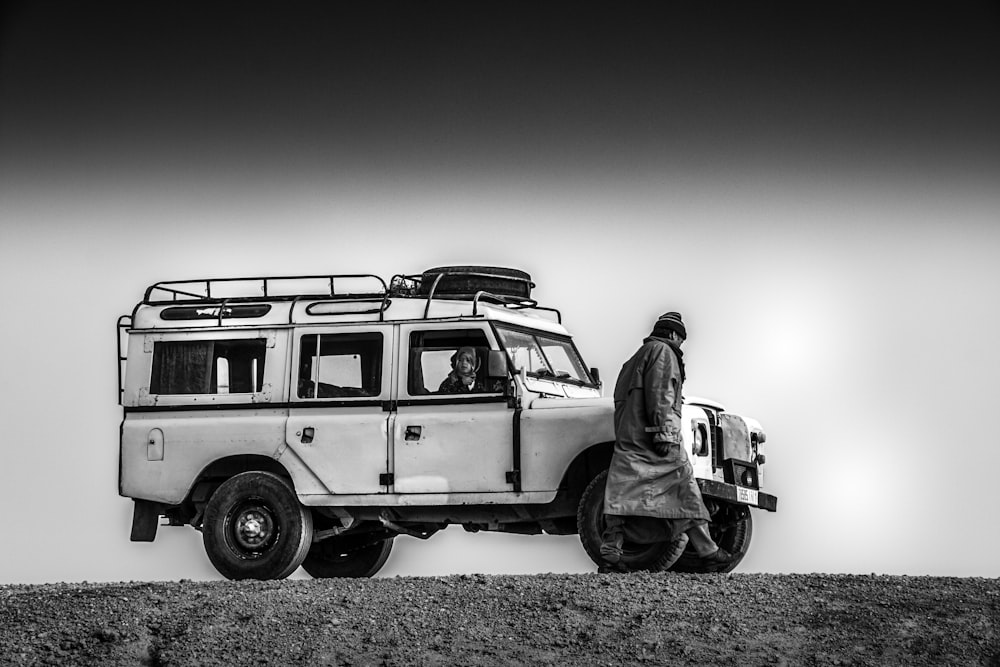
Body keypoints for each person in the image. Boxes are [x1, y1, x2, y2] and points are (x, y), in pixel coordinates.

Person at [600, 311, 736, 571]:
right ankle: (709, 553)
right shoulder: (663, 352)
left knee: (622, 499)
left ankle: (610, 557)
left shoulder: (635, 358)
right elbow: (662, 395)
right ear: (674, 335)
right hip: (655, 441)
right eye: (682, 340)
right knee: (685, 489)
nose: (681, 345)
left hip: (631, 440)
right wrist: (666, 433)